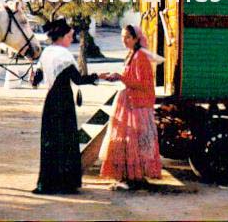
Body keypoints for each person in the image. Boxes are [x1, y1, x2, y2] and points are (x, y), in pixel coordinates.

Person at [31, 18, 98, 194]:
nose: (71, 39)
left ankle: (47, 183)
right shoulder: (63, 55)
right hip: (64, 101)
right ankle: (65, 183)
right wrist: (97, 77)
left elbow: (36, 79)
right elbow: (78, 80)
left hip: (50, 101)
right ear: (61, 37)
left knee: (50, 141)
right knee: (66, 141)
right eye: (69, 36)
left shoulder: (46, 53)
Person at [99, 25, 162, 190]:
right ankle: (129, 177)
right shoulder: (132, 55)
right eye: (122, 37)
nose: (124, 40)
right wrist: (113, 76)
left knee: (135, 142)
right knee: (128, 143)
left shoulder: (140, 56)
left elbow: (143, 84)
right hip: (129, 102)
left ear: (136, 38)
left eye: (127, 37)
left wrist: (120, 77)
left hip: (137, 105)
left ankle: (135, 177)